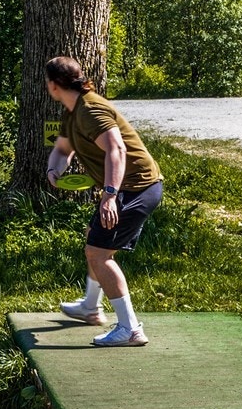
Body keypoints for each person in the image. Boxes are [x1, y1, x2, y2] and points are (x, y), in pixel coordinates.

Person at [43, 55, 164, 348]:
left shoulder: (91, 109)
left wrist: (109, 195)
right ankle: (90, 306)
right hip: (127, 188)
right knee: (93, 239)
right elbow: (62, 149)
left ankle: (130, 329)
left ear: (54, 84)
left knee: (99, 254)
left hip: (137, 187)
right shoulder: (72, 112)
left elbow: (117, 150)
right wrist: (53, 169)